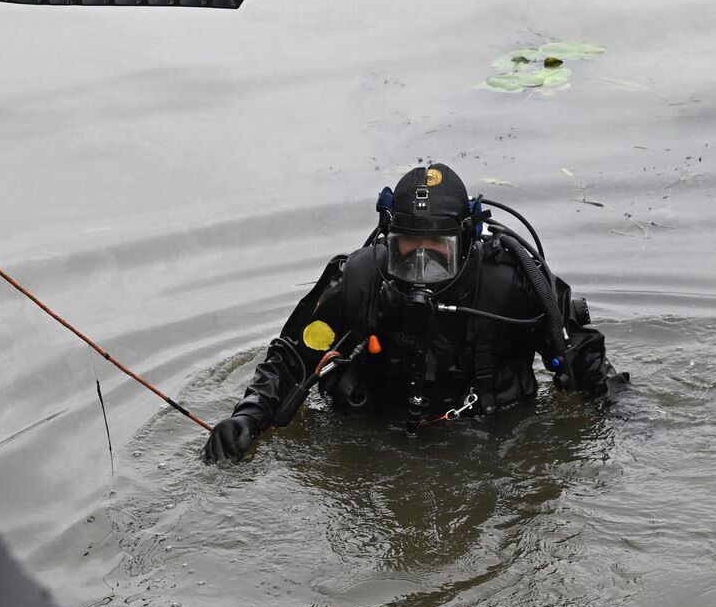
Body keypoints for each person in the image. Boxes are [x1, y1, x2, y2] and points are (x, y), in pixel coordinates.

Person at [203, 162, 622, 463]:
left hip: (494, 439)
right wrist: (250, 416)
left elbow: (581, 357)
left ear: (468, 238)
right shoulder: (359, 279)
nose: (422, 270)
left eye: (439, 255)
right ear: (389, 240)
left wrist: (621, 419)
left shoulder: (513, 282)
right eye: (408, 253)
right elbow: (295, 355)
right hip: (371, 437)